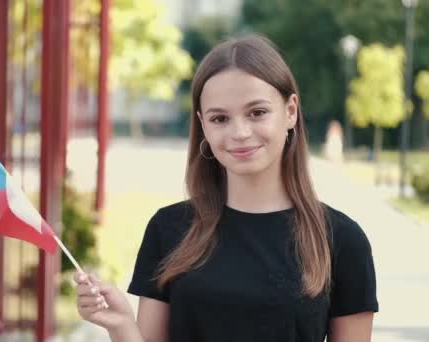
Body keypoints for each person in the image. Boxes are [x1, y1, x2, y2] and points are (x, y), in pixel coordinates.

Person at [73, 34, 378, 342]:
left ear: (290, 112)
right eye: (220, 118)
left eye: (257, 112)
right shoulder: (169, 230)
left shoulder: (341, 240)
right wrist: (121, 325)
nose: (240, 132)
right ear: (202, 124)